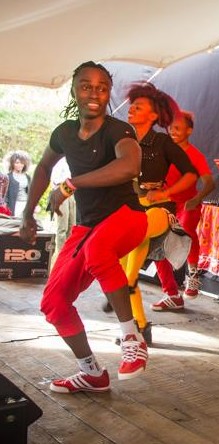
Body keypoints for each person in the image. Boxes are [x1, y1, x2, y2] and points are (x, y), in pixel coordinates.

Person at [19, 61, 149, 394]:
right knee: (54, 303)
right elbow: (45, 167)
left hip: (126, 217)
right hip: (89, 227)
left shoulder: (119, 131)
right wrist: (28, 214)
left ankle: (132, 338)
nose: (95, 93)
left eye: (102, 87)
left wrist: (71, 184)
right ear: (74, 90)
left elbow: (129, 165)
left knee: (98, 250)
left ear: (108, 94)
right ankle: (91, 372)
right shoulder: (64, 133)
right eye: (87, 85)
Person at [120, 83, 197, 328]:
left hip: (159, 210)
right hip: (133, 208)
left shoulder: (163, 142)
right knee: (123, 277)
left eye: (138, 106)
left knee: (129, 270)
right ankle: (139, 326)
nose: (131, 109)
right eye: (131, 105)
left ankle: (136, 327)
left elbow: (191, 174)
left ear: (153, 116)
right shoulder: (122, 140)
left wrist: (166, 190)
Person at [150, 110, 215, 309]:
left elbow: (209, 184)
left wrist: (197, 199)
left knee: (185, 230)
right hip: (165, 205)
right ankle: (172, 295)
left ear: (189, 130)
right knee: (157, 248)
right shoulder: (163, 150)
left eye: (177, 128)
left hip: (188, 204)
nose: (172, 131)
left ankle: (193, 273)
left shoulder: (195, 155)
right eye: (170, 127)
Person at [50, 157, 76, 256]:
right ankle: (61, 253)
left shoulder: (74, 161)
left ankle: (69, 253)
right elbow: (55, 181)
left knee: (72, 225)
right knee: (62, 226)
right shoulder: (59, 162)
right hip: (62, 190)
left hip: (73, 192)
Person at [5, 150, 31, 217]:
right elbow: (5, 195)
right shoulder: (8, 177)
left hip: (26, 205)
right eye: (17, 163)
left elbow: (31, 192)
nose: (20, 165)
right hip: (14, 205)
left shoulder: (28, 177)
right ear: (12, 163)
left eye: (22, 163)